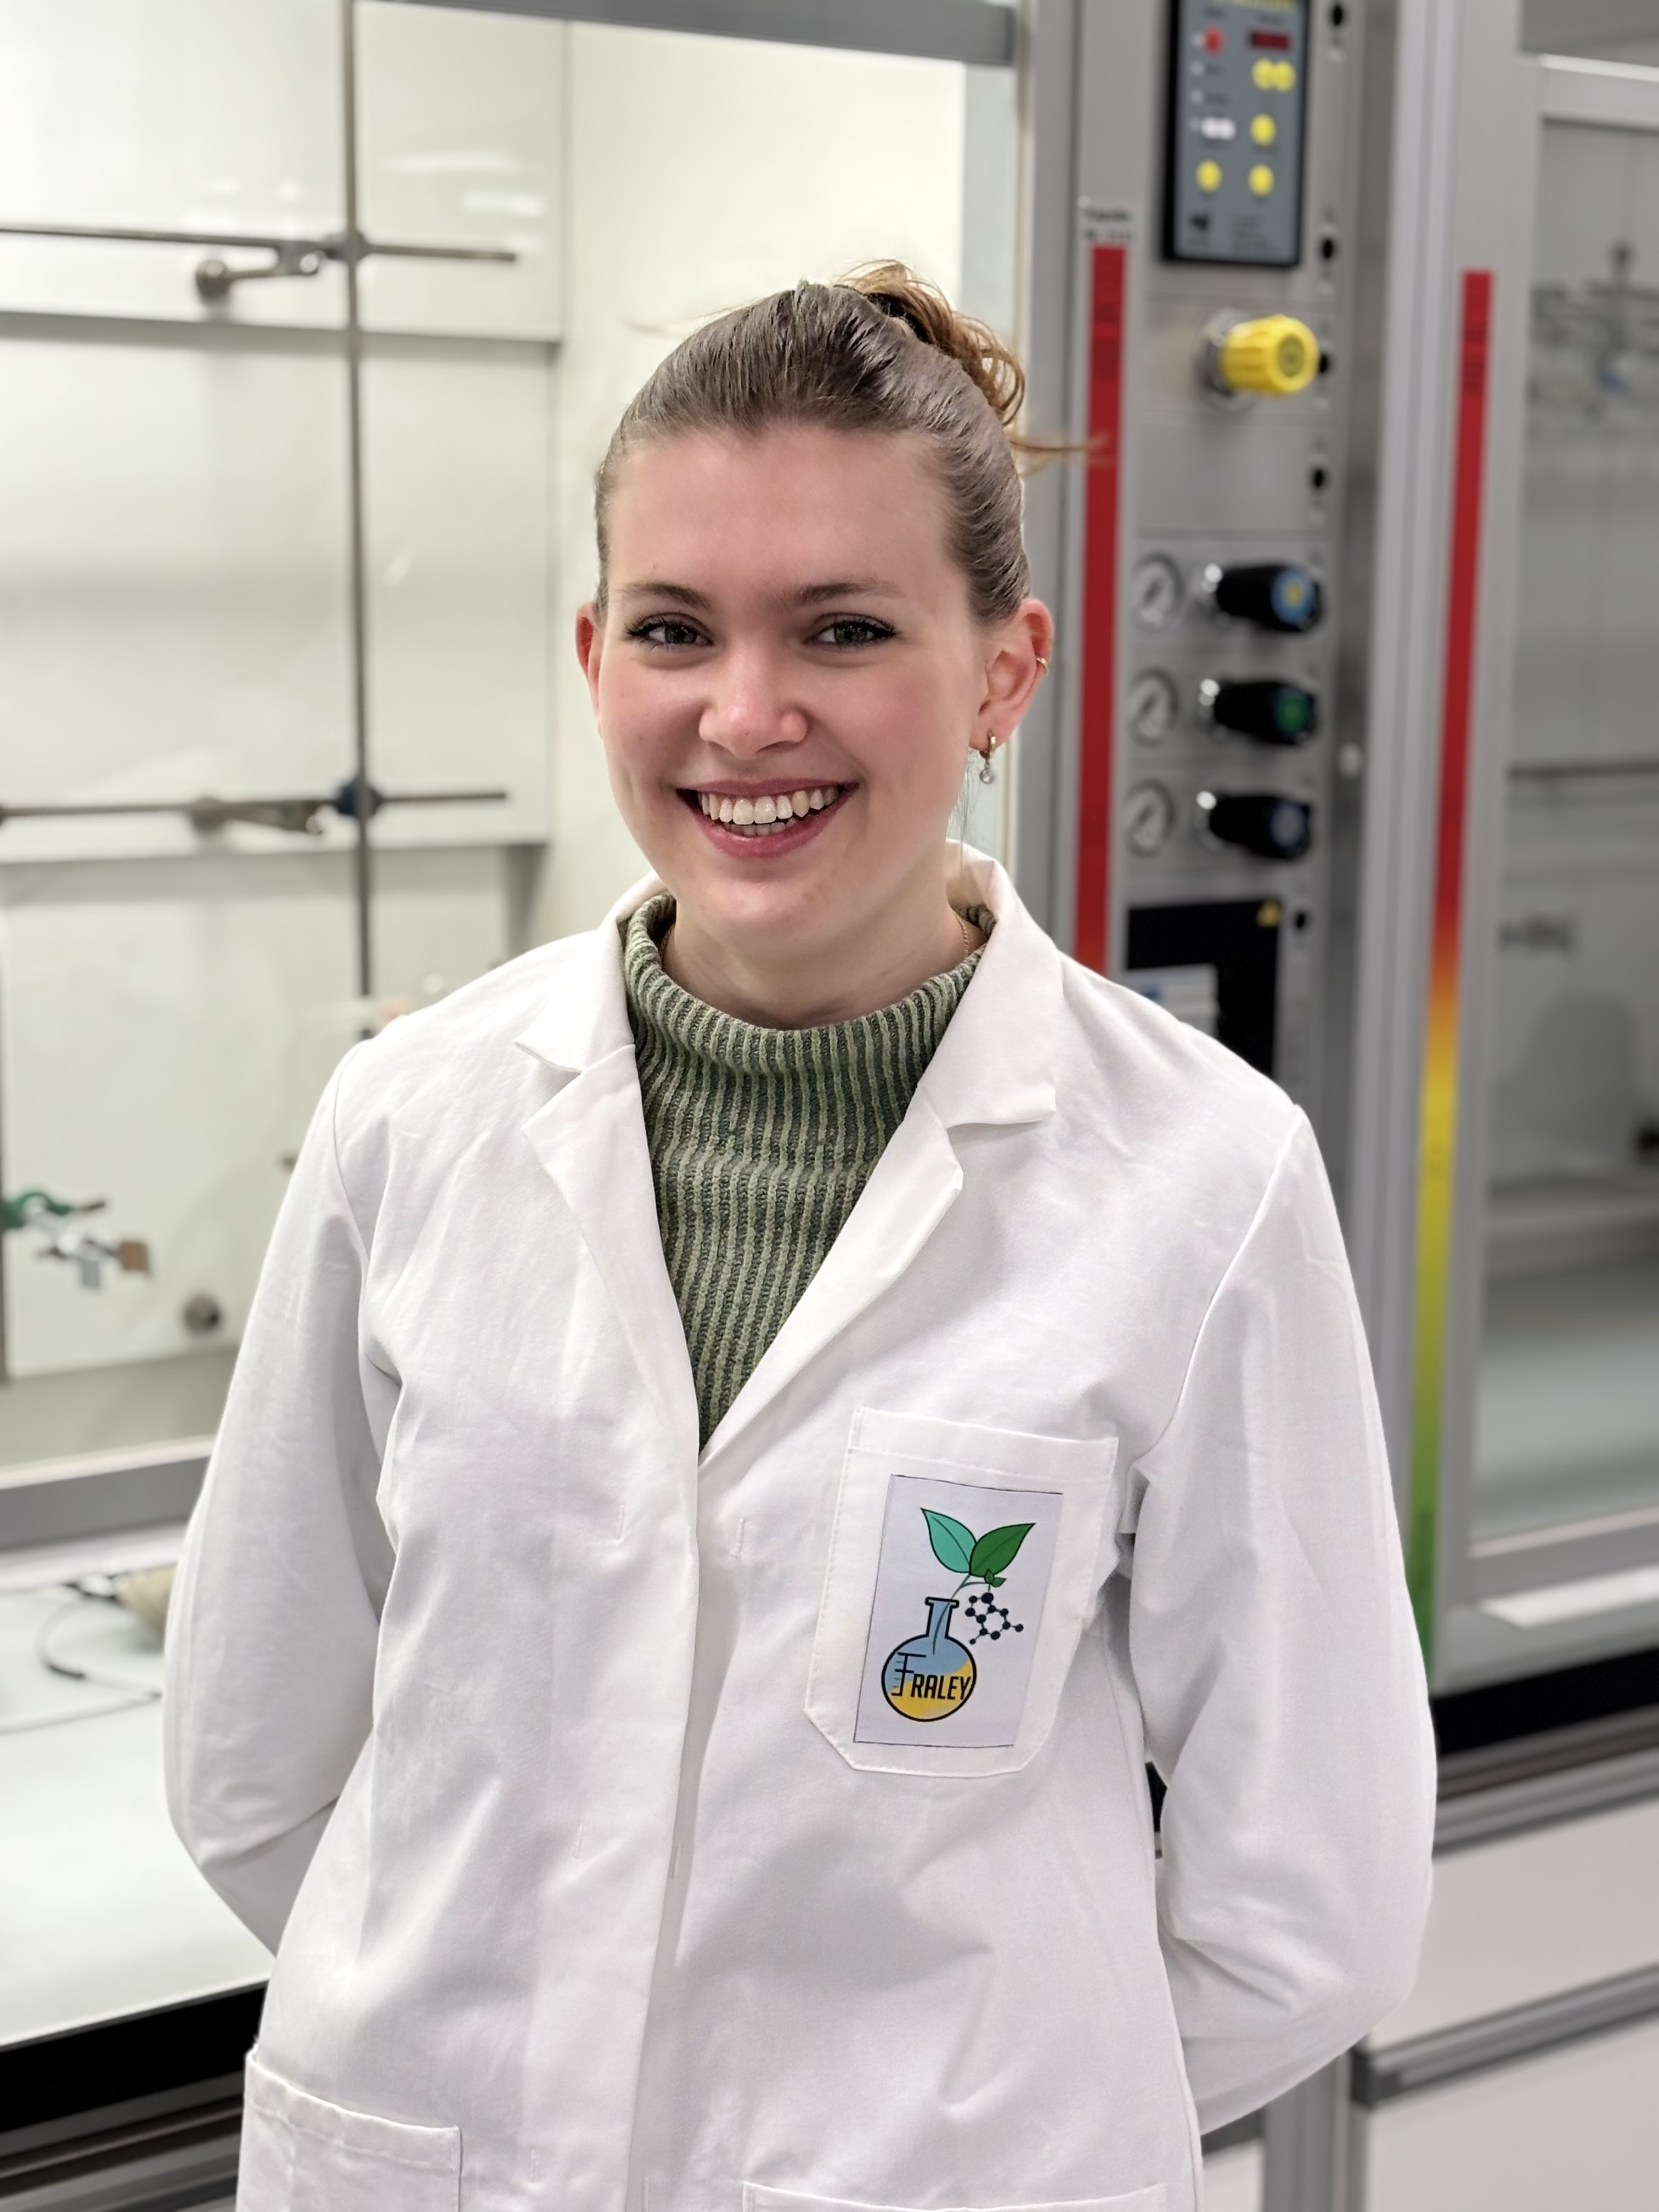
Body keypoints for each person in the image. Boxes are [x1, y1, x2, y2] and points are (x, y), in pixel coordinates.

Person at [167, 266, 1435, 2212]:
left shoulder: (1200, 1178)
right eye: (675, 628)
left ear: (1005, 668)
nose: (745, 714)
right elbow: (256, 1766)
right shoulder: (409, 1123)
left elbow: (1307, 1896)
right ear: (597, 653)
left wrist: (974, 2126)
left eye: (844, 628)